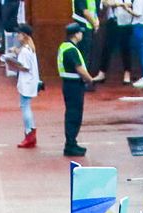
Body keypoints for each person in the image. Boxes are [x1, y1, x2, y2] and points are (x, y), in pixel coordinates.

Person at [57, 18, 95, 157]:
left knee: (72, 113)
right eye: (80, 33)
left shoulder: (64, 47)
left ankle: (72, 143)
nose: (82, 35)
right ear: (75, 34)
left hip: (69, 84)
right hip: (74, 85)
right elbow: (79, 67)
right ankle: (71, 144)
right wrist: (90, 79)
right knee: (74, 114)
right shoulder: (71, 50)